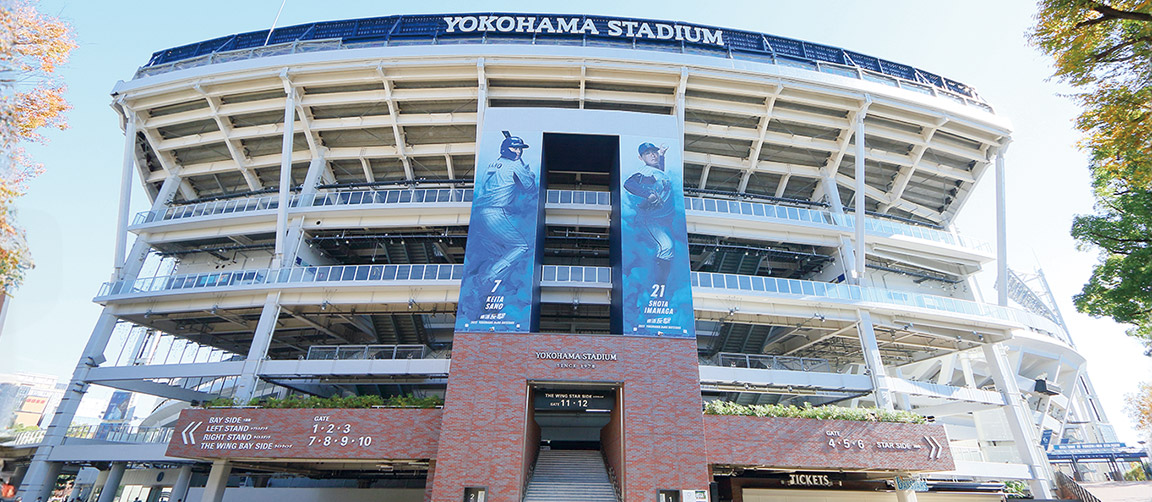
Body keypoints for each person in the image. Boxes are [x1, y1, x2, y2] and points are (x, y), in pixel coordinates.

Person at [470, 131, 537, 292]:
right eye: (515, 149)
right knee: (521, 246)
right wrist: (528, 173)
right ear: (506, 148)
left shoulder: (492, 164)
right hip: (494, 214)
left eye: (520, 149)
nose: (519, 152)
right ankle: (486, 278)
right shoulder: (515, 166)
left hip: (478, 216)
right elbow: (530, 188)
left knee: (504, 254)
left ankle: (494, 286)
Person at [623, 142, 675, 283]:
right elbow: (628, 184)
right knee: (666, 247)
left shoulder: (655, 170)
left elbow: (660, 176)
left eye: (654, 152)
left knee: (649, 252)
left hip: (660, 217)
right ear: (641, 158)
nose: (652, 154)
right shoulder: (644, 171)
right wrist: (647, 194)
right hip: (648, 219)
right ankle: (659, 286)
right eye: (647, 153)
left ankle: (634, 269)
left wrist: (662, 156)